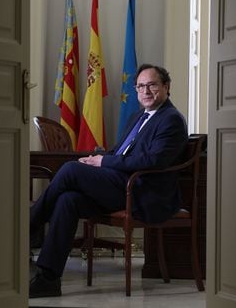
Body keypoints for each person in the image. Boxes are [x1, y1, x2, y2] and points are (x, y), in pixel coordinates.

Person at [29, 64, 188, 298]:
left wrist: (103, 164)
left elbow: (151, 160)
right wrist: (99, 157)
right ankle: (48, 278)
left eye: (152, 85)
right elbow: (119, 152)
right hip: (122, 185)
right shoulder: (138, 117)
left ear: (166, 87)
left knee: (71, 170)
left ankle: (30, 227)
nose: (145, 91)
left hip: (143, 193)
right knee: (68, 199)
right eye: (140, 86)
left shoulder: (171, 119)